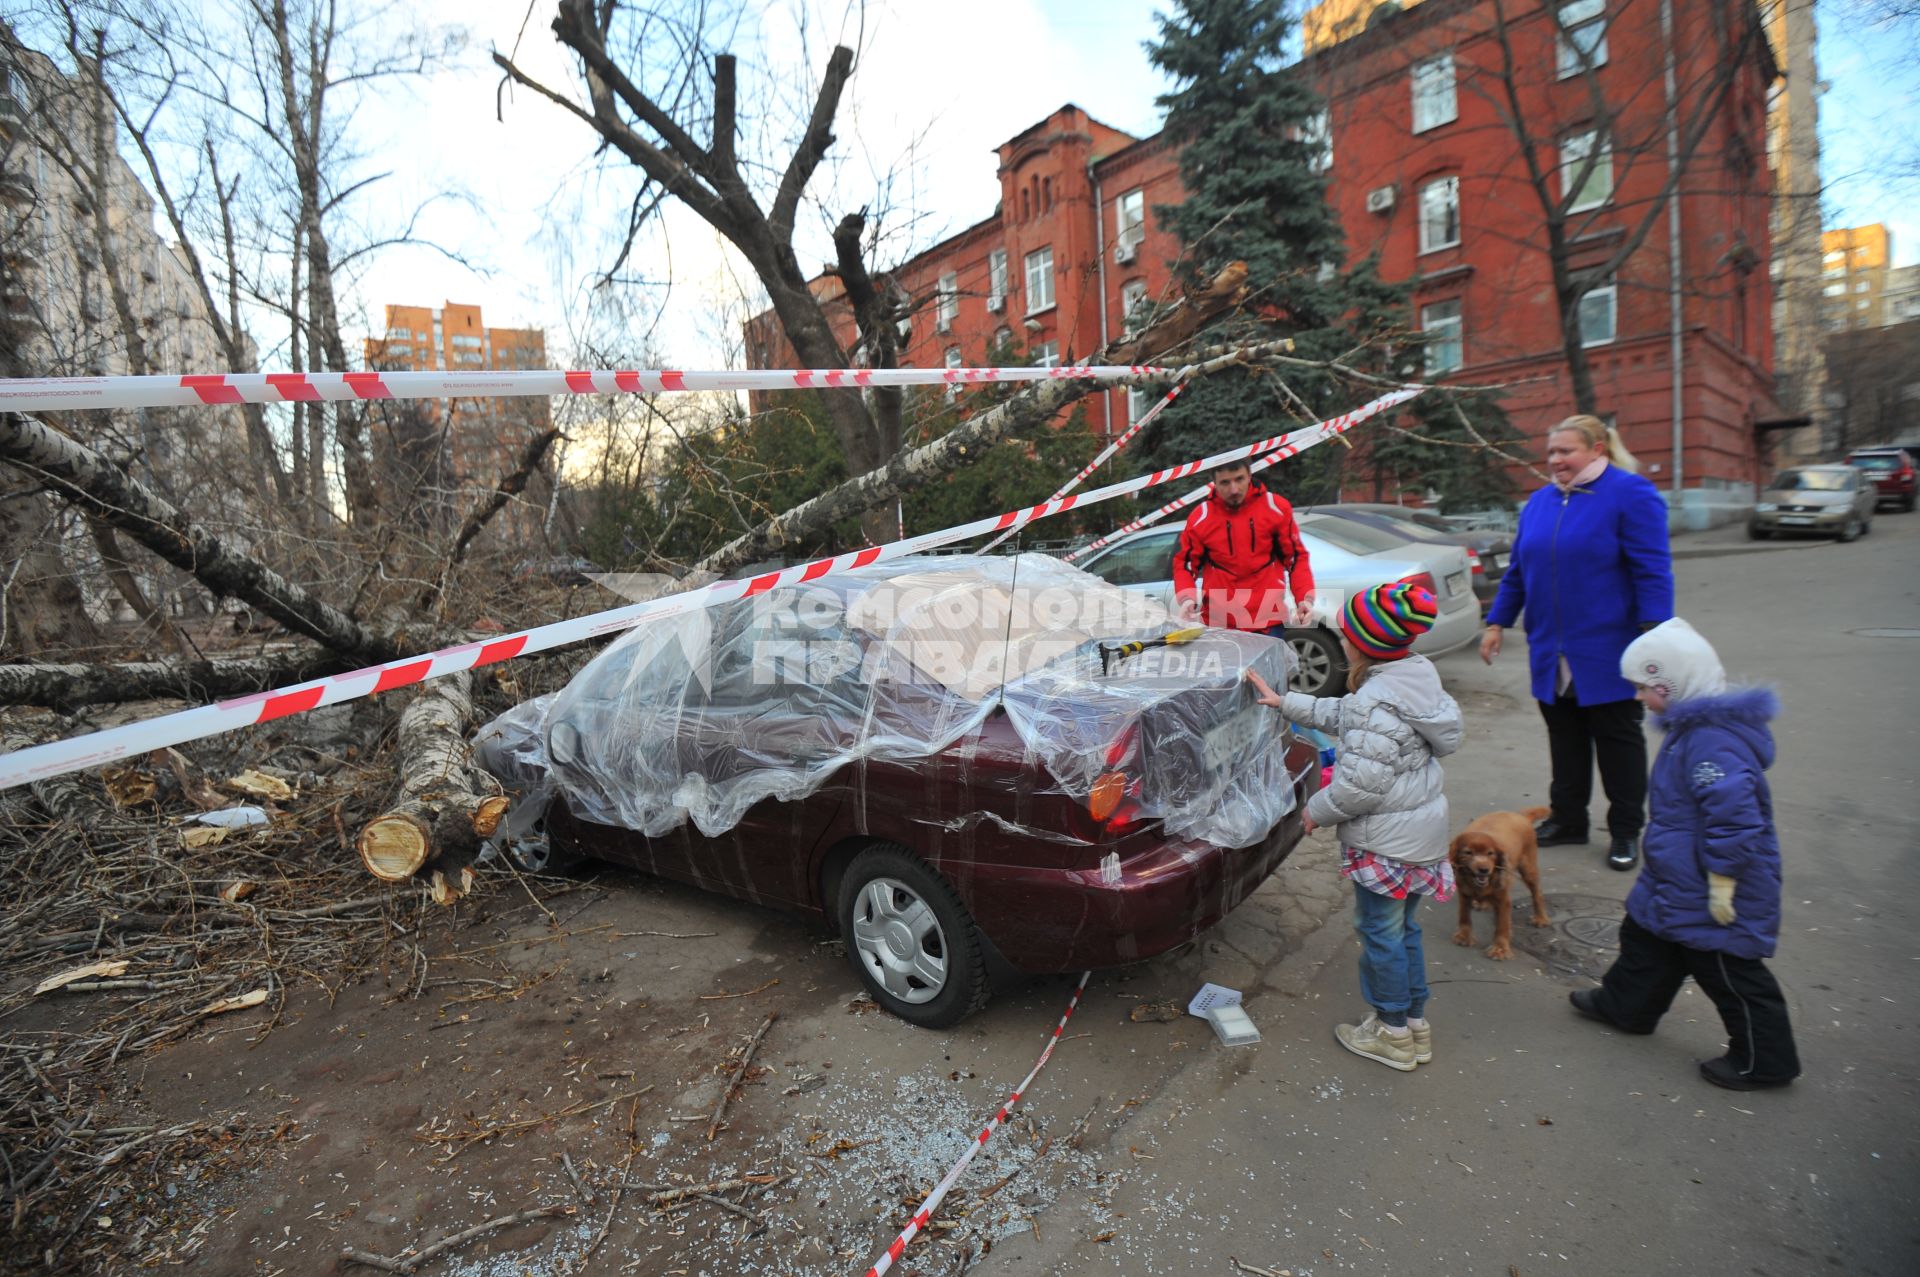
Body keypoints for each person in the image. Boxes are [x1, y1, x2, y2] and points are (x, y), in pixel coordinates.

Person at [1569, 618, 1800, 1090]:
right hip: (1678, 872)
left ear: (1672, 685)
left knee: (1726, 967)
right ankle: (1626, 1007)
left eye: (1644, 688)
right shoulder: (1694, 729)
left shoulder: (1711, 742)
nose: (1638, 698)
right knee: (1647, 936)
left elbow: (1735, 818)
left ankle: (1765, 1060)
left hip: (1715, 882)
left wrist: (1721, 880)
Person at [1247, 582, 1462, 1071]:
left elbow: (1362, 786)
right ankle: (1413, 1026)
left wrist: (1313, 812)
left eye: (1345, 634)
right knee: (1404, 930)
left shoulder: (1375, 699)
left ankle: (1390, 1033)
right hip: (1420, 834)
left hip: (1388, 841)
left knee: (1379, 932)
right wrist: (1286, 704)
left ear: (1364, 643)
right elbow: (1347, 715)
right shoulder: (1411, 677)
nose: (1340, 641)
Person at [1480, 414, 1674, 871]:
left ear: (1597, 450)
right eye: (1551, 452)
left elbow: (1653, 571)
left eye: (1565, 451)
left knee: (1617, 743)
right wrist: (1496, 623)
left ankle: (1626, 829)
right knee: (1564, 740)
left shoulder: (1631, 494)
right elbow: (1519, 574)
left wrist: (1655, 641)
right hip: (1550, 648)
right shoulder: (1539, 503)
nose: (1555, 460)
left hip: (1609, 649)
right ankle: (1569, 819)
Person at [1172, 460, 1314, 632]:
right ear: (1214, 483)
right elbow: (1184, 565)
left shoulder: (1276, 507)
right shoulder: (1201, 517)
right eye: (1225, 482)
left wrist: (1304, 598)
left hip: (1268, 622)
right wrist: (1187, 599)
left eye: (1239, 479)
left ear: (1249, 476)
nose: (1234, 489)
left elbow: (1296, 558)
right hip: (1220, 624)